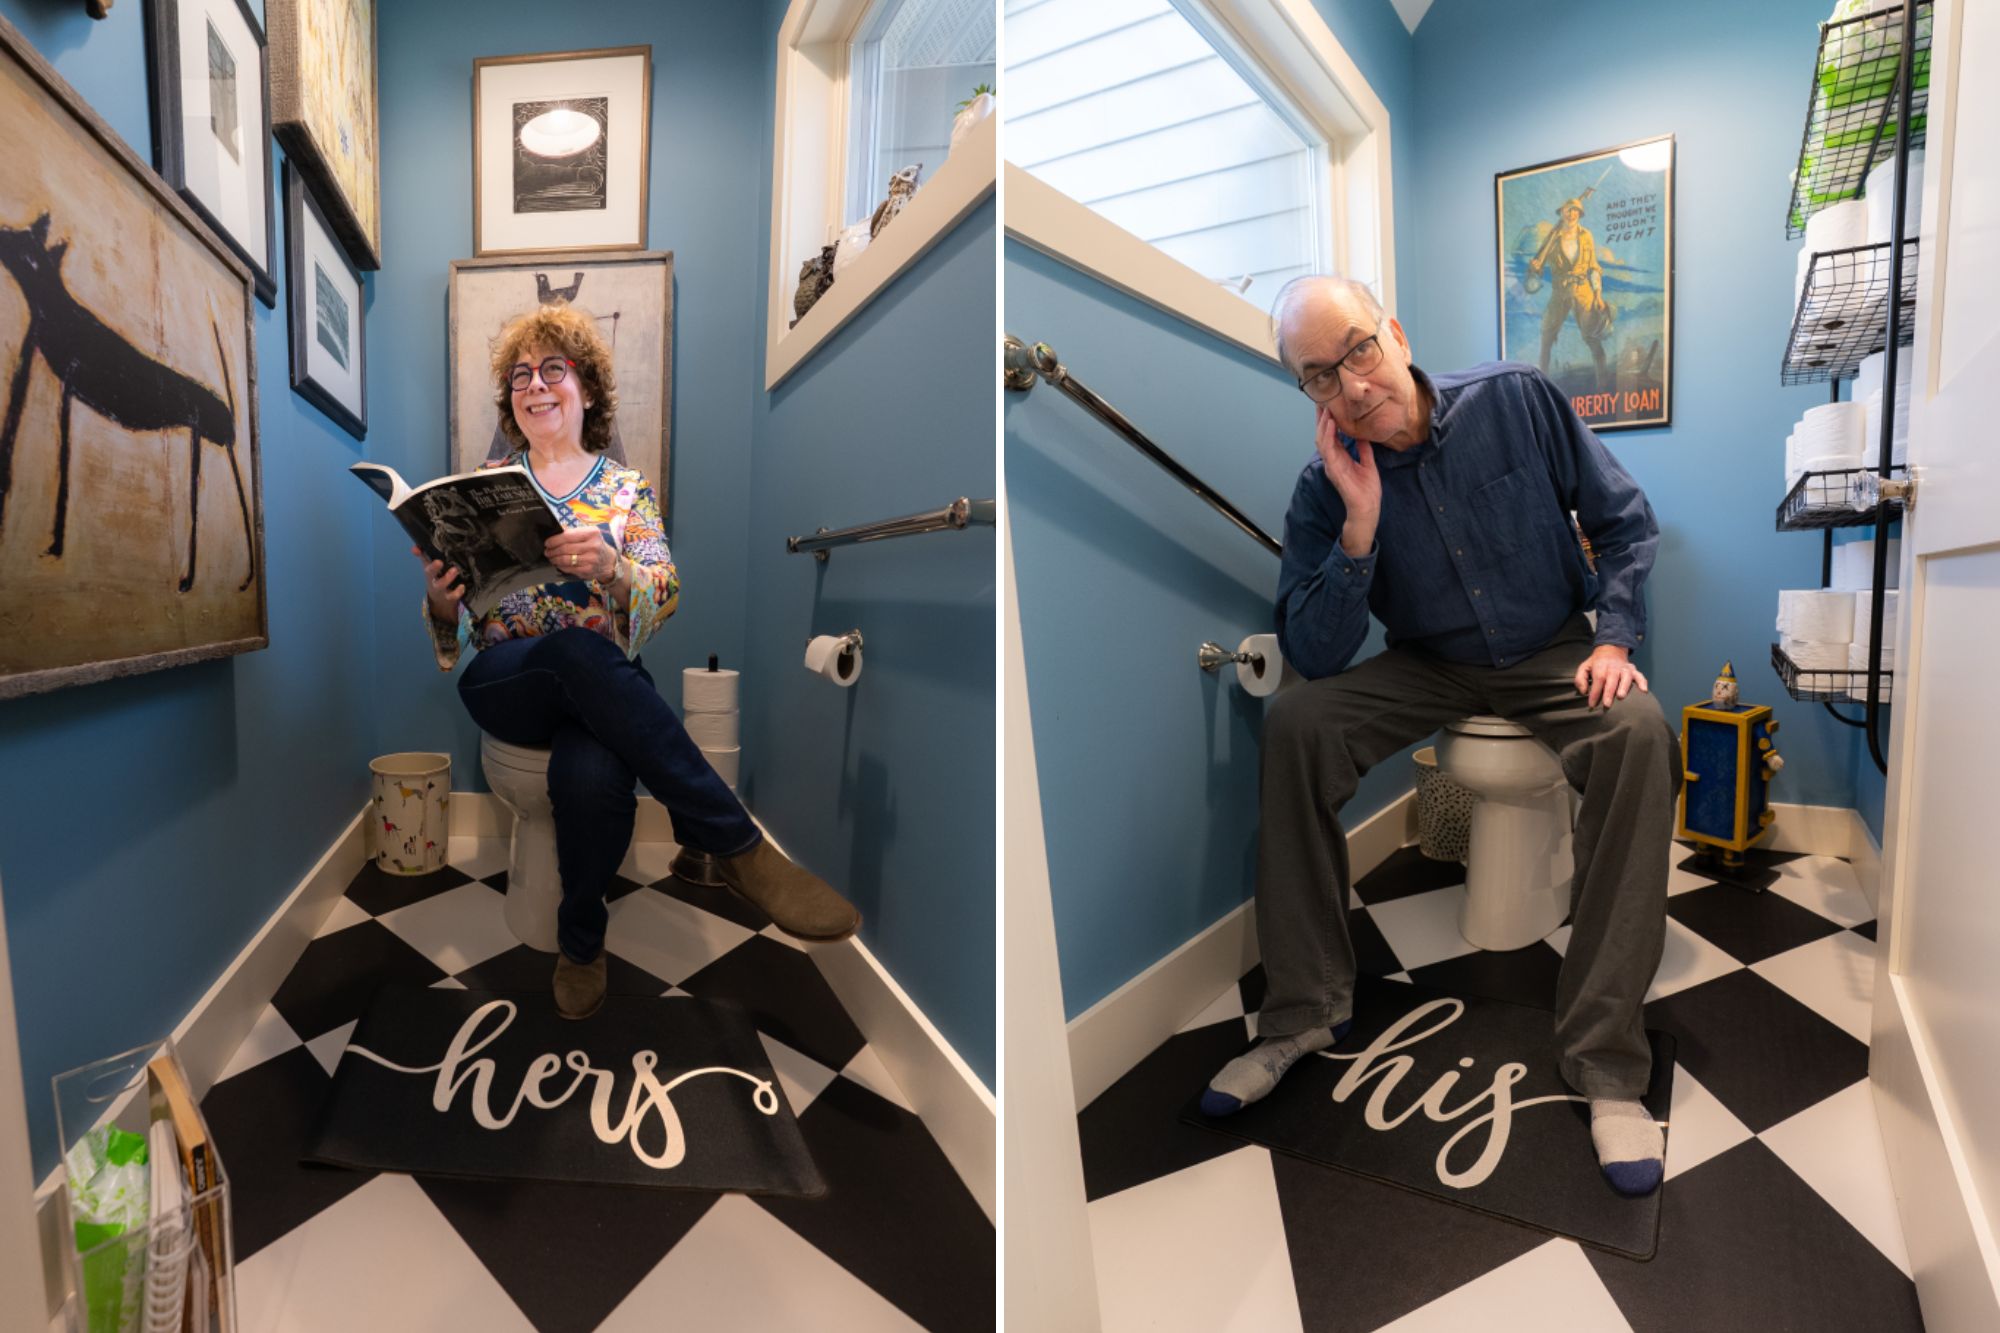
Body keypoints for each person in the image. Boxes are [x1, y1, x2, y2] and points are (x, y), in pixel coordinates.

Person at [1198, 276, 1678, 1198]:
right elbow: (1314, 650)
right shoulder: (1322, 488)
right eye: (1318, 376)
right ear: (1307, 392)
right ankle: (1302, 1013)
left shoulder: (1517, 397)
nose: (1350, 384)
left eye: (1358, 350)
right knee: (1298, 720)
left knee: (1640, 735)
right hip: (1430, 663)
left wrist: (1614, 636)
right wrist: (1360, 528)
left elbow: (1625, 524)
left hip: (1553, 650)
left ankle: (1607, 1060)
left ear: (1395, 330)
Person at [417, 304, 860, 1020]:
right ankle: (733, 840)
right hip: (507, 679)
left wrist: (614, 567)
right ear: (512, 401)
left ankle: (581, 942)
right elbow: (458, 620)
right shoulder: (483, 484)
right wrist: (441, 600)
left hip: (599, 690)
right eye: (521, 375)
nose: (536, 385)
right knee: (571, 650)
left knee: (590, 774)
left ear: (586, 388)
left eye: (553, 369)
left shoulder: (626, 492)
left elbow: (666, 588)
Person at [1527, 197, 1613, 386]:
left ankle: (1603, 386)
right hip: (1559, 292)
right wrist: (1535, 267)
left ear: (1579, 214)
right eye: (1568, 210)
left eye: (1575, 210)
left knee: (1593, 339)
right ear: (1562, 213)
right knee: (1546, 338)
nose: (1572, 213)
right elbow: (1539, 269)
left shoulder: (1586, 236)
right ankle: (1543, 391)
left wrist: (1598, 295)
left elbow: (1593, 267)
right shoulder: (1552, 238)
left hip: (1584, 292)